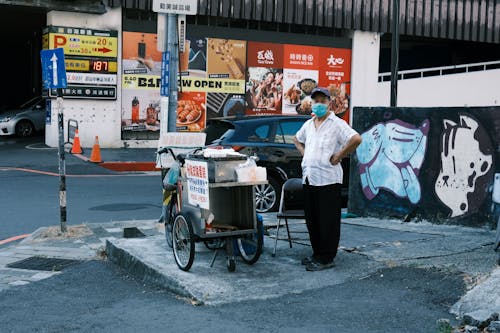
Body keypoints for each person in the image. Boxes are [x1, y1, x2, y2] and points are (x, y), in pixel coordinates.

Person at [293, 87, 362, 271]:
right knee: (312, 220)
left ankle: (327, 258)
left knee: (327, 221)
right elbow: (296, 139)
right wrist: (304, 153)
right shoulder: (309, 124)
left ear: (329, 103)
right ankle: (317, 254)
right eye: (316, 101)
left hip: (328, 180)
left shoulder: (336, 123)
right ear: (312, 103)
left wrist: (339, 155)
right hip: (310, 178)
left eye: (323, 101)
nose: (319, 104)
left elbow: (356, 139)